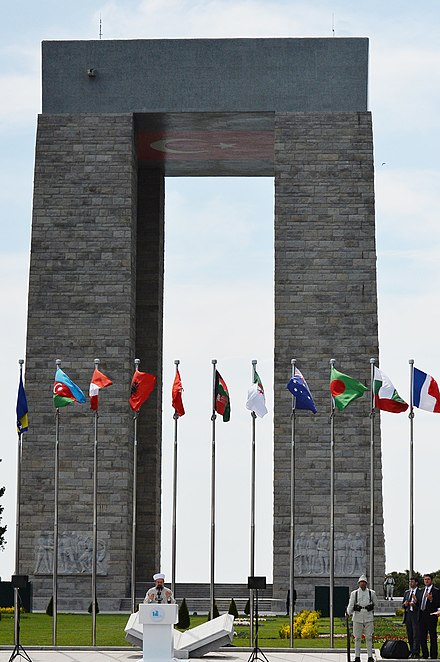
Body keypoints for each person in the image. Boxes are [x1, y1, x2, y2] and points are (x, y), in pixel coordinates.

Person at [347, 574, 379, 662]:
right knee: (357, 638)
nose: (362, 584)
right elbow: (351, 604)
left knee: (369, 637)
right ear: (359, 584)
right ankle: (357, 657)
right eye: (361, 583)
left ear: (366, 583)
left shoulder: (371, 593)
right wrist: (348, 612)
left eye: (364, 582)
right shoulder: (354, 593)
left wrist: (371, 605)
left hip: (368, 616)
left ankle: (370, 656)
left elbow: (376, 604)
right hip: (357, 616)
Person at [417, 573, 440, 659]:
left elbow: (438, 604)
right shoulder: (421, 591)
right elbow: (419, 604)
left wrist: (431, 600)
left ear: (431, 580)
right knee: (422, 637)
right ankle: (425, 654)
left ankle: (433, 655)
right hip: (422, 616)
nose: (426, 581)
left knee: (432, 636)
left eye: (428, 579)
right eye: (425, 579)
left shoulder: (436, 591)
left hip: (431, 616)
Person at [402, 577, 420, 658]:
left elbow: (421, 604)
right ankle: (412, 650)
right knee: (409, 634)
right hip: (408, 614)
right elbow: (403, 604)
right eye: (409, 581)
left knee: (416, 634)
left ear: (416, 583)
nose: (410, 583)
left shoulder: (420, 592)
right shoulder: (407, 592)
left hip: (416, 615)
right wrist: (405, 604)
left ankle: (416, 652)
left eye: (412, 582)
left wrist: (415, 603)